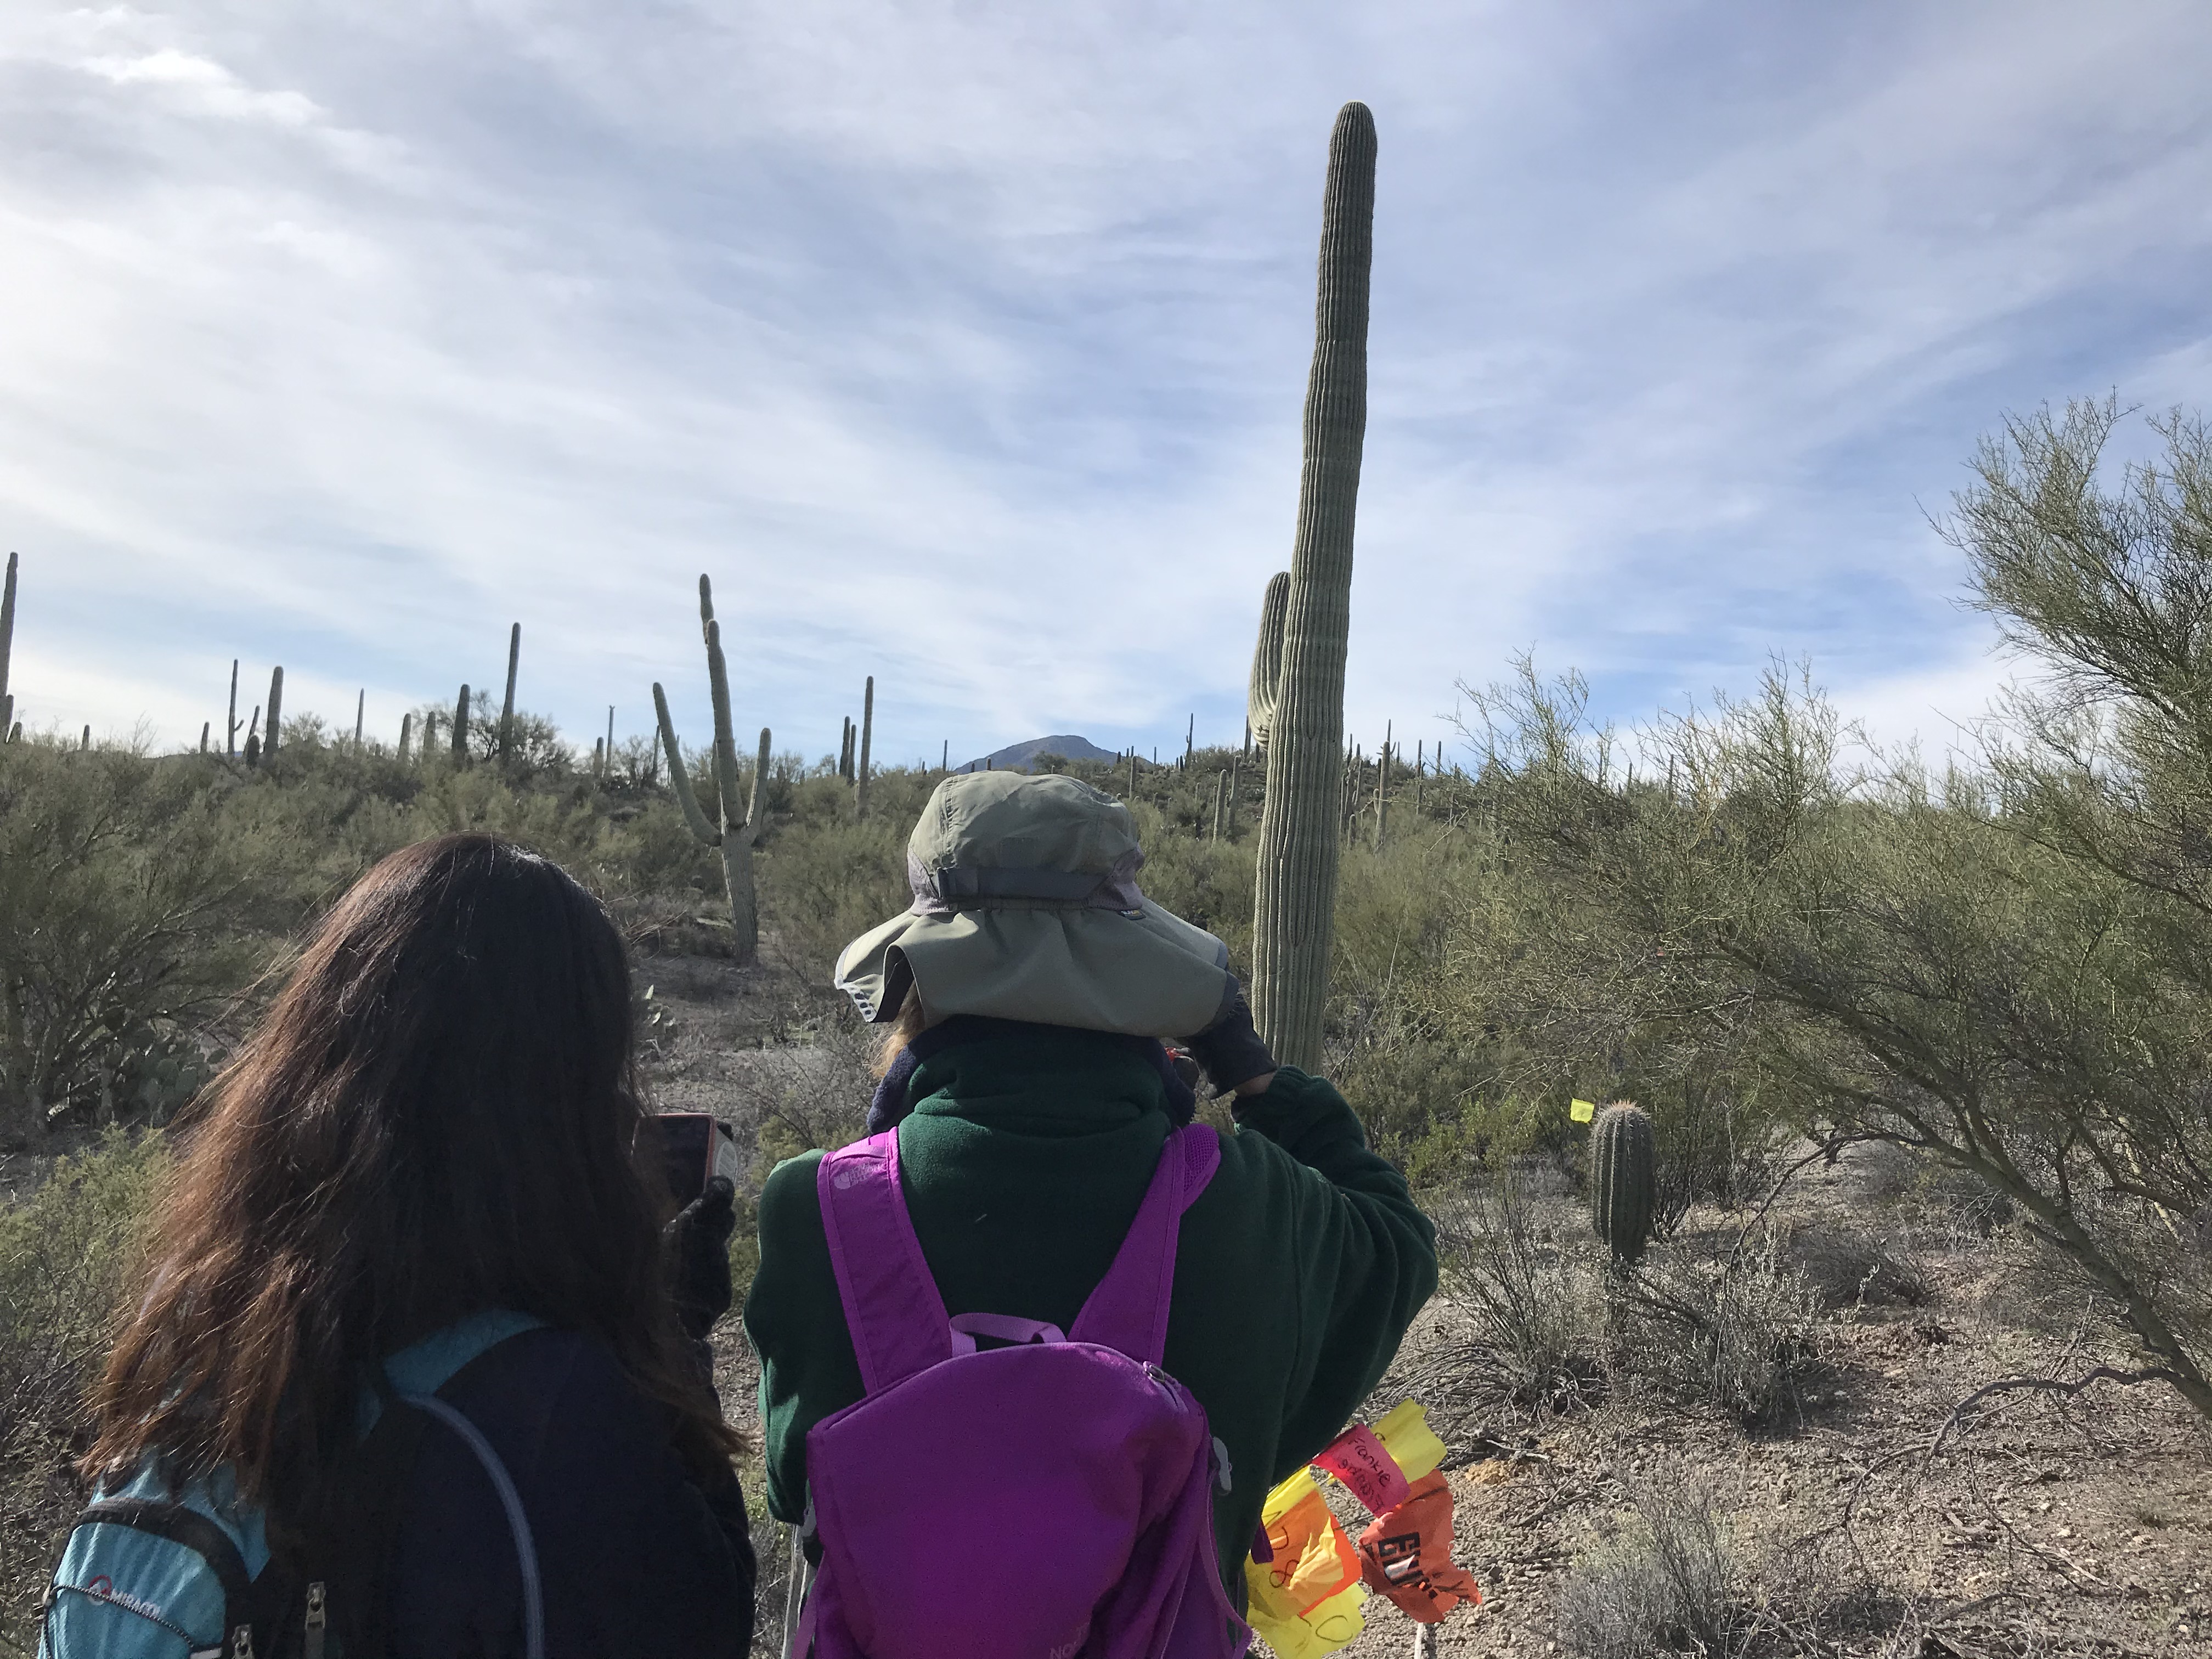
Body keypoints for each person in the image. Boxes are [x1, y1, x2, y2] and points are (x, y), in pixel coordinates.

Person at [744, 771, 1437, 1616]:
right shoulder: (1252, 1208)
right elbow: (1397, 1247)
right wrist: (1260, 1083)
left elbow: (793, 1488)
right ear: (1138, 975)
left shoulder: (812, 1210)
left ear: (915, 980)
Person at [46, 833, 757, 1657]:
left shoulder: (201, 1317)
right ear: (569, 1098)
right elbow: (702, 1619)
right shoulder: (552, 1406)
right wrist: (675, 1339)